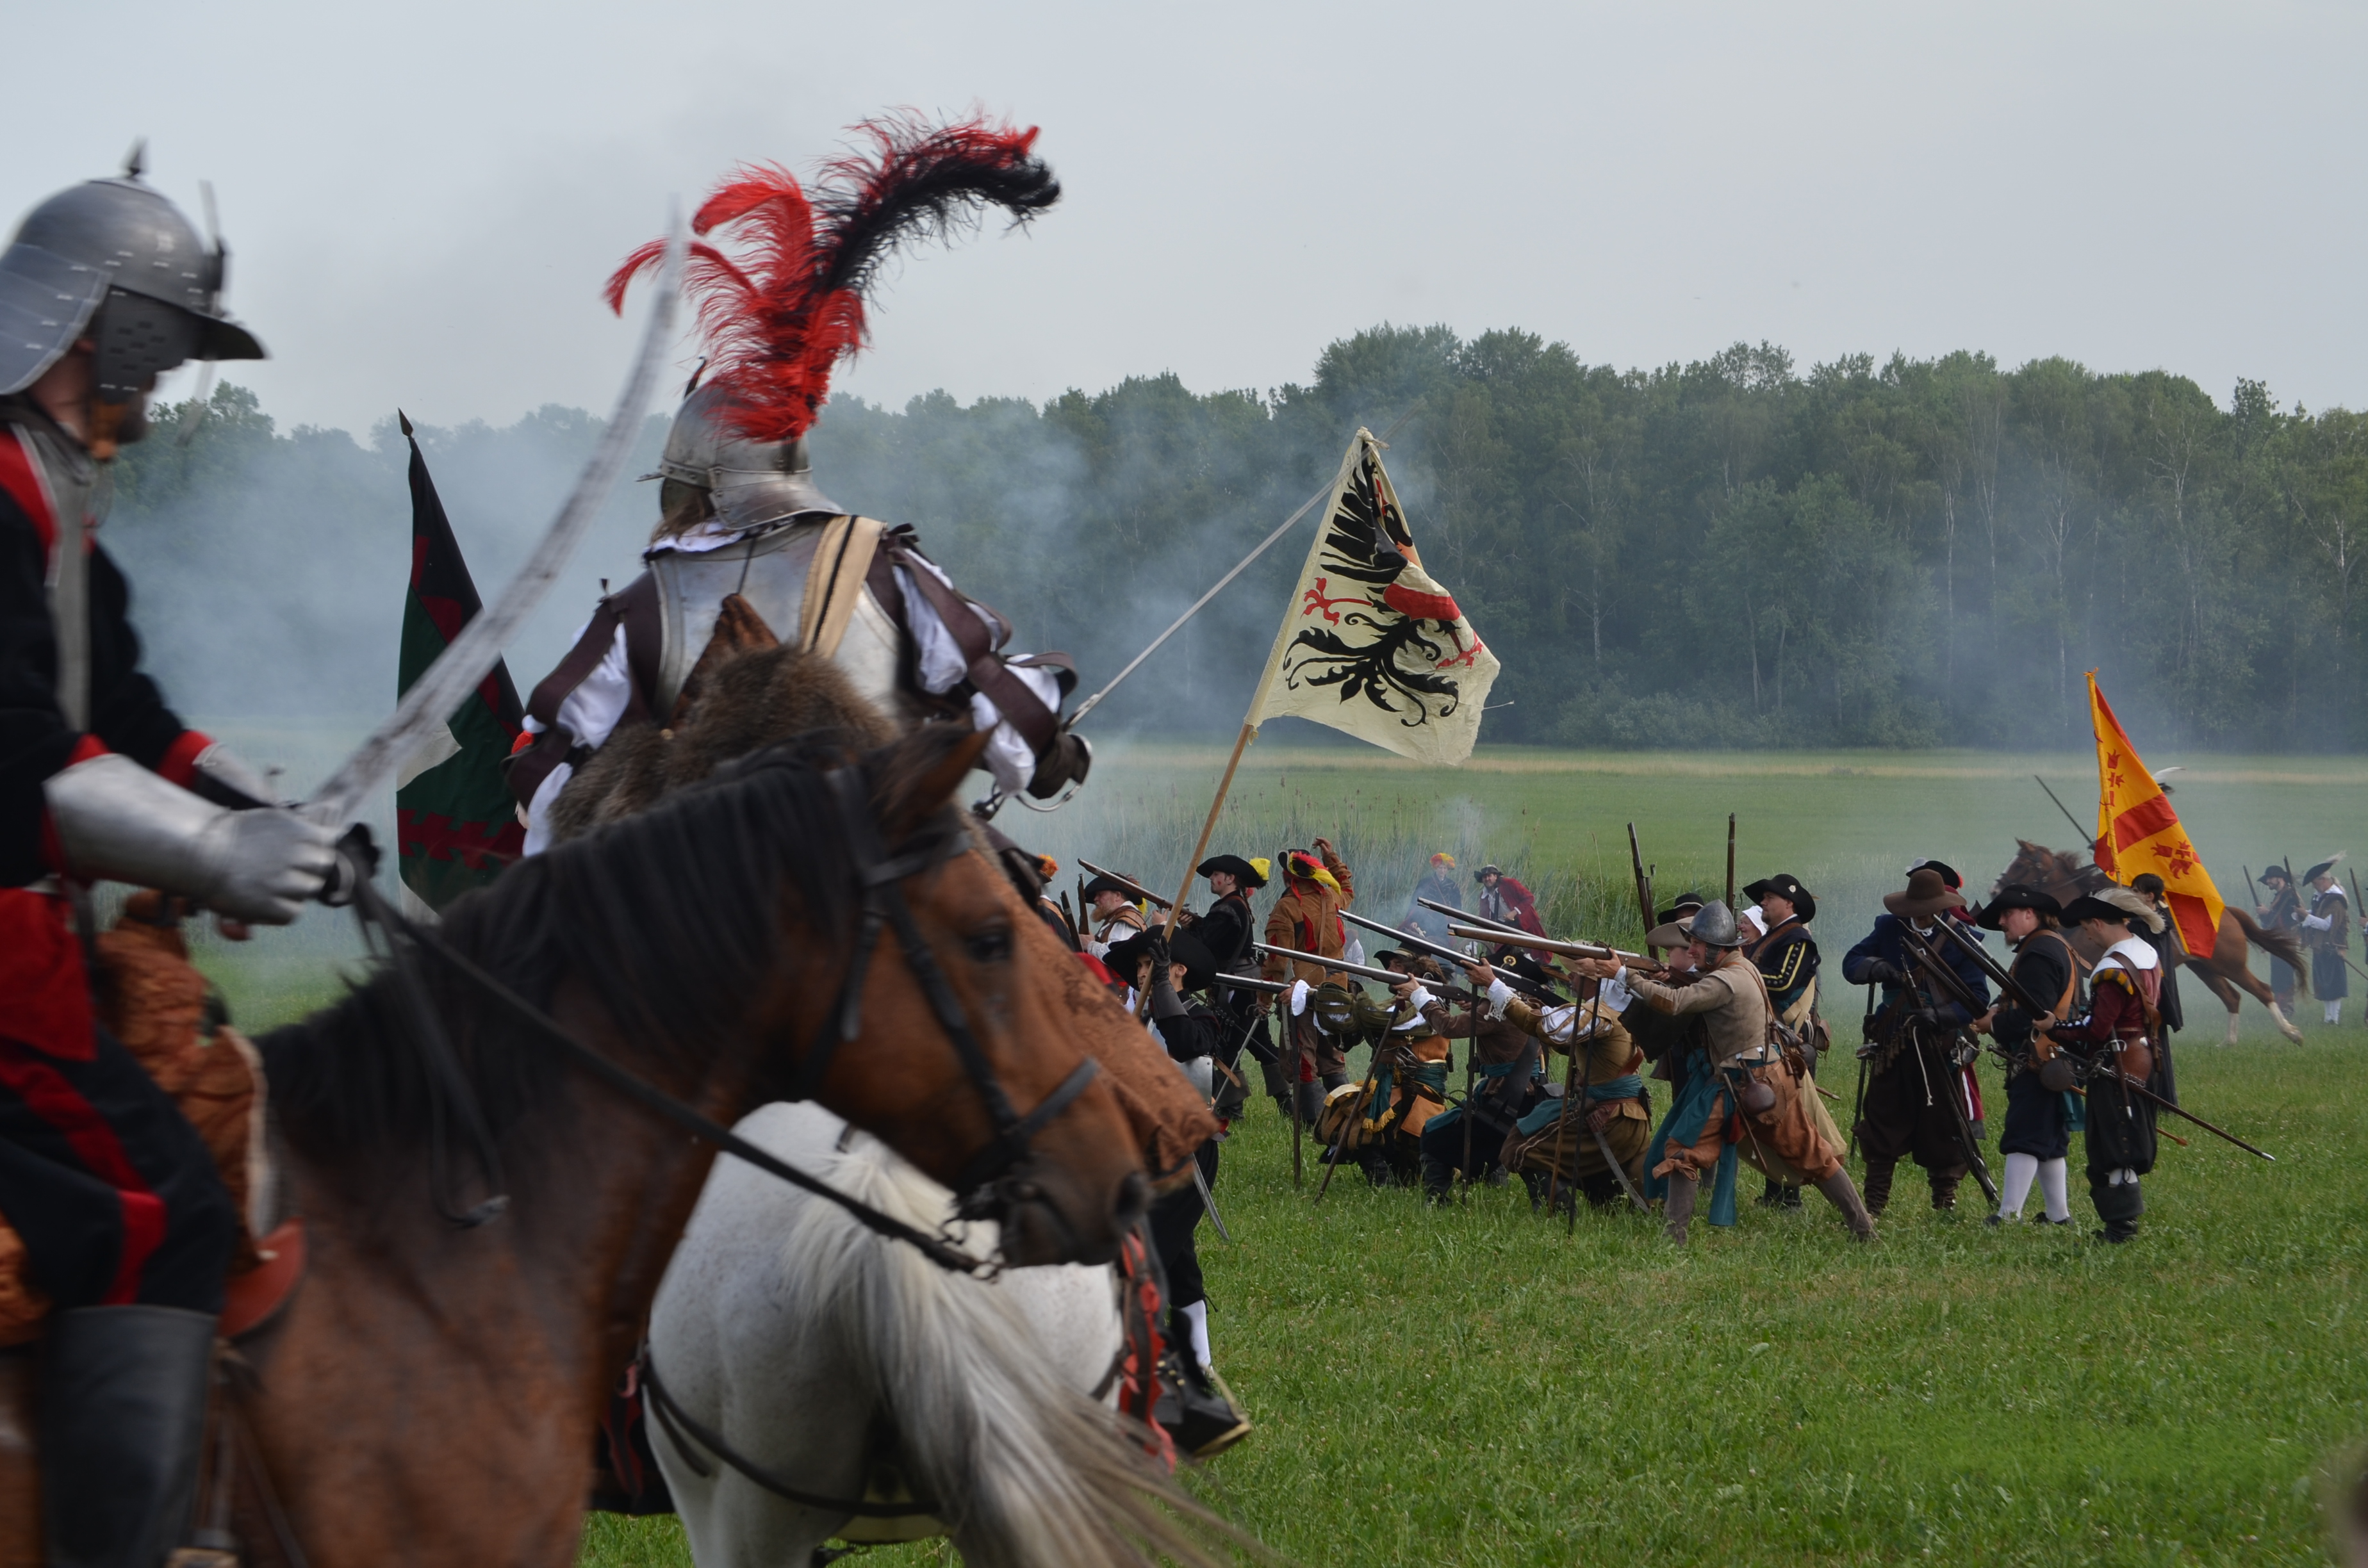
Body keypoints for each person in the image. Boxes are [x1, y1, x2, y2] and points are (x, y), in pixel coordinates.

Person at [1, 162, 340, 1567]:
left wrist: (277, 811)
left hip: (37, 941)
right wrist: (212, 851)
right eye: (162, 345)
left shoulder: (58, 494)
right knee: (157, 1215)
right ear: (103, 327)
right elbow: (20, 754)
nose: (166, 383)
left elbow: (122, 716)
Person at [509, 125, 1089, 853]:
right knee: (1030, 945)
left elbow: (552, 766)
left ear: (694, 479)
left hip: (699, 883)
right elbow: (1002, 708)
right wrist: (1053, 756)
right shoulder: (883, 564)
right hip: (872, 868)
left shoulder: (639, 606)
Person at [1572, 903, 1874, 1242]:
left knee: (1811, 1157)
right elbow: (1686, 992)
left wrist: (1623, 974)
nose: (1693, 950)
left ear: (1717, 949)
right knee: (1686, 1151)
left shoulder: (1727, 979)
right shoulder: (1741, 967)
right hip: (1751, 1081)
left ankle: (1863, 1229)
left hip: (1749, 1084)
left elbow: (1676, 1003)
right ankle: (1675, 1236)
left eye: (1697, 946)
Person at [1100, 926, 1249, 1456]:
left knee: (1141, 1265)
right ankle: (1199, 1362)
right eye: (1143, 967)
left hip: (1183, 1157)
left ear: (1176, 971)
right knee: (1179, 1264)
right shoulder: (1138, 1021)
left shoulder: (1200, 1017)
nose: (1140, 974)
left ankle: (1147, 1388)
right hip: (1140, 1155)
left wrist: (1162, 986)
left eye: (1150, 966)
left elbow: (1185, 1043)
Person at [1840, 866, 1993, 1215]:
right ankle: (1874, 1205)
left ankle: (1944, 1201)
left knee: (1942, 1125)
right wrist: (1874, 967)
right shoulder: (1888, 927)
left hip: (1938, 1045)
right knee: (1881, 1121)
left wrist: (1939, 1017)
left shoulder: (1963, 939)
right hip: (1892, 1038)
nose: (1918, 917)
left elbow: (1977, 999)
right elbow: (1852, 963)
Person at [1470, 963, 1652, 1214]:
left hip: (1610, 1119)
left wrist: (1493, 985)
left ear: (1594, 980)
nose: (1570, 978)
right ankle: (1606, 1205)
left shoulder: (1600, 1013)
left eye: (1576, 974)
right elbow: (1565, 1042)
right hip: (1621, 1115)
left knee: (1520, 1149)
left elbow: (1545, 1027)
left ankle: (1560, 1211)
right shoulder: (1617, 1010)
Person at [2049, 895, 2163, 1243]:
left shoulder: (2111, 967)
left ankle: (2120, 1228)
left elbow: (2096, 1028)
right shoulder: (2146, 952)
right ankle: (2121, 1224)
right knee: (2120, 1144)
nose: (2088, 937)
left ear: (2097, 923)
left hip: (2118, 1063)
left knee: (2117, 1147)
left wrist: (2053, 1028)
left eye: (2087, 929)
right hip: (2141, 1058)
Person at [1969, 885, 2079, 1228]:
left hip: (2041, 1058)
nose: (2002, 921)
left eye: (2008, 914)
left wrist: (1992, 1023)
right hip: (2051, 1058)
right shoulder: (2046, 946)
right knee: (2049, 1140)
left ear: (2030, 914)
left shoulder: (2040, 952)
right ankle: (2059, 1216)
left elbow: (2035, 1014)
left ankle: (2007, 1216)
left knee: (2024, 1136)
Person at [1742, 872, 1822, 1209]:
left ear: (1788, 903)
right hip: (1770, 1037)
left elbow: (1783, 983)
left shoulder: (1797, 939)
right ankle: (1777, 1191)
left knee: (1791, 1118)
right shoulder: (1772, 938)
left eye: (1769, 898)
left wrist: (1739, 974)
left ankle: (1790, 1197)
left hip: (1789, 1041)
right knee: (1772, 1115)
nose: (1762, 902)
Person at [1262, 840, 1356, 1124]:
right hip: (1337, 989)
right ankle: (1346, 1119)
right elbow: (1347, 888)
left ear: (1289, 876)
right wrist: (1331, 858)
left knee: (1303, 1060)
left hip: (1303, 993)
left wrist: (1263, 1000)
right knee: (1332, 1058)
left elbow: (1276, 961)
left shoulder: (1286, 907)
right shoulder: (1332, 897)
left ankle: (1314, 1124)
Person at [2299, 859, 2351, 1027]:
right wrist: (2301, 914)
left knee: (2334, 984)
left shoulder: (2335, 900)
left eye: (2315, 882)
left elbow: (2327, 925)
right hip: (2321, 946)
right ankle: (2328, 1018)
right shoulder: (2322, 898)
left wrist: (2306, 917)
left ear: (2324, 880)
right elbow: (2316, 915)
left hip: (2333, 946)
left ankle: (2333, 1019)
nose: (2315, 886)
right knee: (2324, 984)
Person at [2257, 864, 2303, 1013]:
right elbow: (2274, 921)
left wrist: (2267, 913)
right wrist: (2265, 915)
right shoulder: (2281, 896)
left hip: (2286, 941)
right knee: (2278, 977)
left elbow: (2288, 921)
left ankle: (2287, 1009)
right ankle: (2280, 1008)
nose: (2268, 881)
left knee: (2285, 976)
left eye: (2271, 878)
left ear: (2279, 878)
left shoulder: (2289, 896)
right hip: (2278, 941)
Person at [1473, 863, 1547, 945]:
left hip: (1525, 922)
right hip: (1505, 927)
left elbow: (1529, 897)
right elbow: (1484, 918)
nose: (1487, 879)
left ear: (1496, 876)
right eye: (1485, 877)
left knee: (1538, 951)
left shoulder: (1510, 883)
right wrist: (1474, 943)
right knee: (1501, 953)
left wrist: (1514, 912)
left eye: (1489, 876)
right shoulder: (1484, 896)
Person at [1081, 872, 1150, 956]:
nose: (1095, 899)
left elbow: (1116, 954)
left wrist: (1090, 945)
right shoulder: (1116, 918)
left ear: (1117, 896)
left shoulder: (1126, 919)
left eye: (1100, 894)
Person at [1406, 851, 1461, 942]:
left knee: (1443, 944)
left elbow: (1457, 905)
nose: (1442, 871)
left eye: (1444, 868)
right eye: (1440, 868)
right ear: (1436, 868)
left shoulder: (1453, 886)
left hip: (1444, 922)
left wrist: (1456, 922)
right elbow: (1415, 903)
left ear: (1447, 869)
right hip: (1425, 919)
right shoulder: (1425, 882)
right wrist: (1414, 920)